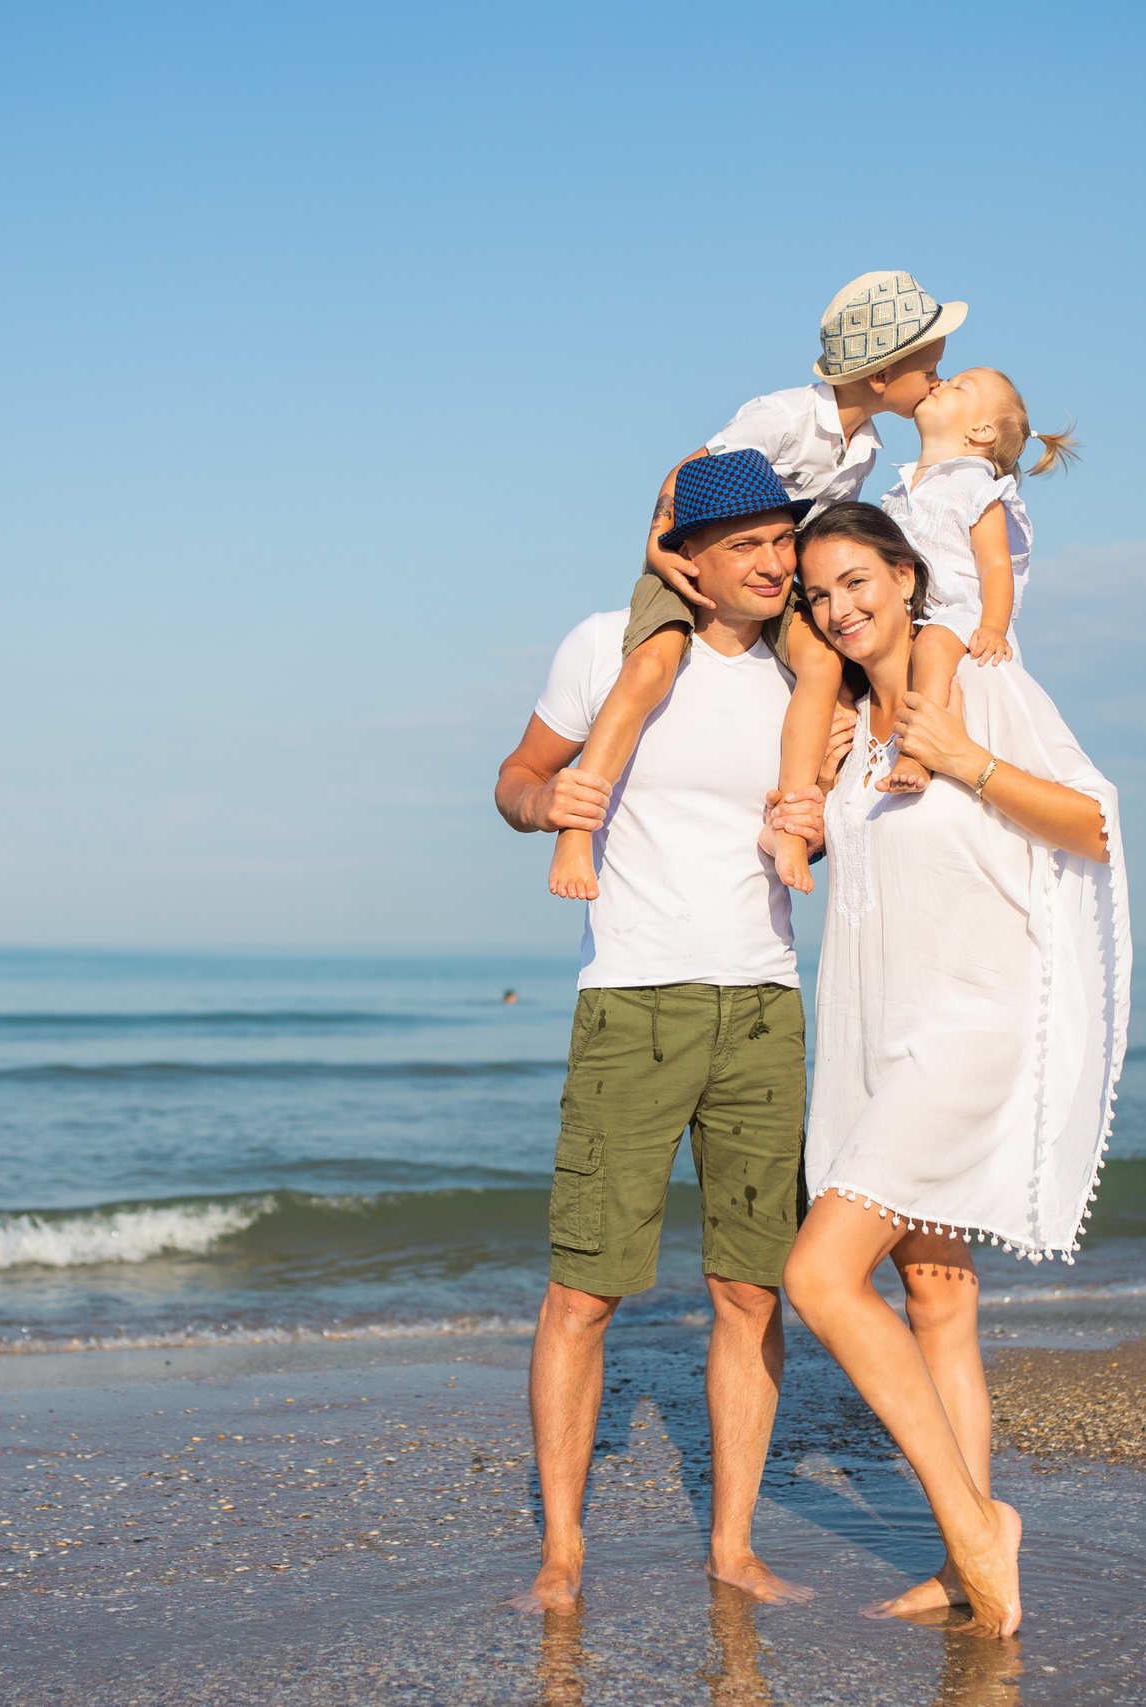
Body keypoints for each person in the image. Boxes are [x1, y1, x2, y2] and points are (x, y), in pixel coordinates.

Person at [770, 502, 1131, 1640]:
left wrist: (967, 760)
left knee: (820, 1277)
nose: (839, 608)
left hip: (969, 1030)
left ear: (905, 575)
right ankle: (963, 1558)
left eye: (856, 580)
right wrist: (812, 808)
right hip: (880, 1042)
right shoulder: (849, 733)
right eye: (819, 594)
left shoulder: (980, 684)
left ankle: (977, 1523)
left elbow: (1093, 825)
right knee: (935, 1294)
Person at [493, 451, 829, 1617]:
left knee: (750, 1291)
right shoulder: (608, 646)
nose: (774, 564)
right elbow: (516, 776)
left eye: (782, 541)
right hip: (633, 1002)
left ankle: (731, 1548)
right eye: (747, 546)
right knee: (584, 1292)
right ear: (687, 559)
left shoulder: (806, 671)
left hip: (765, 1003)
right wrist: (546, 804)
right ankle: (562, 1553)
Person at [548, 271, 966, 901]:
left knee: (824, 666)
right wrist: (659, 545)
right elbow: (687, 469)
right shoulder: (785, 415)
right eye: (930, 368)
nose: (937, 379)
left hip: (777, 577)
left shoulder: (865, 446)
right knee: (650, 666)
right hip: (693, 560)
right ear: (881, 376)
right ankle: (578, 828)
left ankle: (794, 822)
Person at [880, 368, 1078, 793]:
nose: (940, 382)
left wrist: (993, 626)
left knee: (932, 645)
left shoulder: (975, 484)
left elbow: (996, 566)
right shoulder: (900, 489)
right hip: (915, 614)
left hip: (963, 614)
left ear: (981, 431)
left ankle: (917, 751)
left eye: (958, 386)